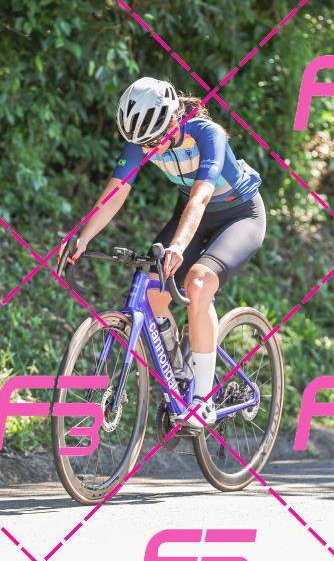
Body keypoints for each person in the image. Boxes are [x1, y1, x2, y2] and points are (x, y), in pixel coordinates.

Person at [64, 77, 266, 426]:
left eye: (155, 141)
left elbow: (201, 196)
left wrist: (178, 246)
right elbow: (116, 192)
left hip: (239, 216)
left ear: (173, 120)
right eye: (143, 144)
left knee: (198, 283)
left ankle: (202, 400)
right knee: (153, 291)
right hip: (191, 215)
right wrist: (82, 238)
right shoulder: (141, 140)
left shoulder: (207, 134)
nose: (150, 149)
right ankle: (182, 372)